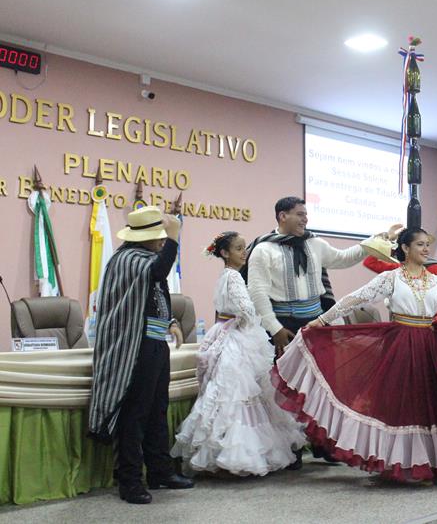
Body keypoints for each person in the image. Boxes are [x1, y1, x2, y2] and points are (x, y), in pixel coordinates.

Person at [271, 227, 437, 482]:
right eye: (420, 245)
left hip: (428, 344)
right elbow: (356, 297)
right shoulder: (392, 278)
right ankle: (401, 463)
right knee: (402, 403)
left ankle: (428, 462)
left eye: (428, 244)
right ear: (405, 248)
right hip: (401, 343)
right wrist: (322, 320)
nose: (426, 249)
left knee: (427, 403)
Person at [171, 232, 306, 475]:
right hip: (237, 336)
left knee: (230, 394)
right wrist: (256, 320)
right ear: (224, 253)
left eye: (244, 248)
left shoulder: (226, 276)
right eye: (238, 248)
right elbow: (245, 309)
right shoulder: (233, 277)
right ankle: (244, 454)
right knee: (241, 394)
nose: (244, 252)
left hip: (226, 331)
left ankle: (227, 452)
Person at [88, 206, 194, 504]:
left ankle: (160, 471)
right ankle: (129, 481)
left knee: (157, 409)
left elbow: (153, 296)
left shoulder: (145, 259)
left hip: (154, 343)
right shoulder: (127, 260)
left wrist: (170, 322)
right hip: (133, 347)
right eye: (158, 237)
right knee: (134, 414)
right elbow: (159, 272)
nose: (162, 241)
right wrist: (174, 239)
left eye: (163, 237)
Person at [245, 197, 393, 355]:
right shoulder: (263, 250)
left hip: (315, 323)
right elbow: (257, 292)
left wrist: (375, 241)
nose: (305, 219)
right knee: (282, 376)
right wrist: (275, 329)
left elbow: (343, 259)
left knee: (319, 375)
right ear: (283, 216)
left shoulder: (314, 243)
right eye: (300, 214)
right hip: (283, 325)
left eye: (306, 215)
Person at [361, 231, 437, 324]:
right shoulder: (399, 270)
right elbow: (370, 262)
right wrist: (389, 244)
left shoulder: (434, 268)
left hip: (433, 329)